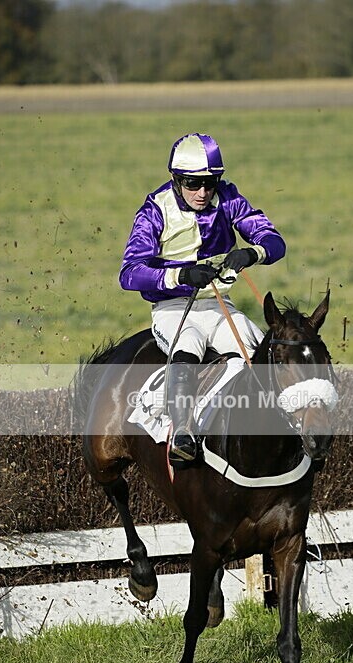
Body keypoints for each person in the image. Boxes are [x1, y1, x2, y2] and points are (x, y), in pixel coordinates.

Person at [120, 132, 286, 464]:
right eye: (192, 184)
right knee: (190, 345)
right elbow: (129, 273)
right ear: (176, 179)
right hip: (173, 308)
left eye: (210, 183)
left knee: (259, 356)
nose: (203, 192)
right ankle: (182, 435)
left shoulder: (228, 198)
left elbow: (274, 240)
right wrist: (180, 275)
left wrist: (252, 253)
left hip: (220, 306)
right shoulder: (154, 211)